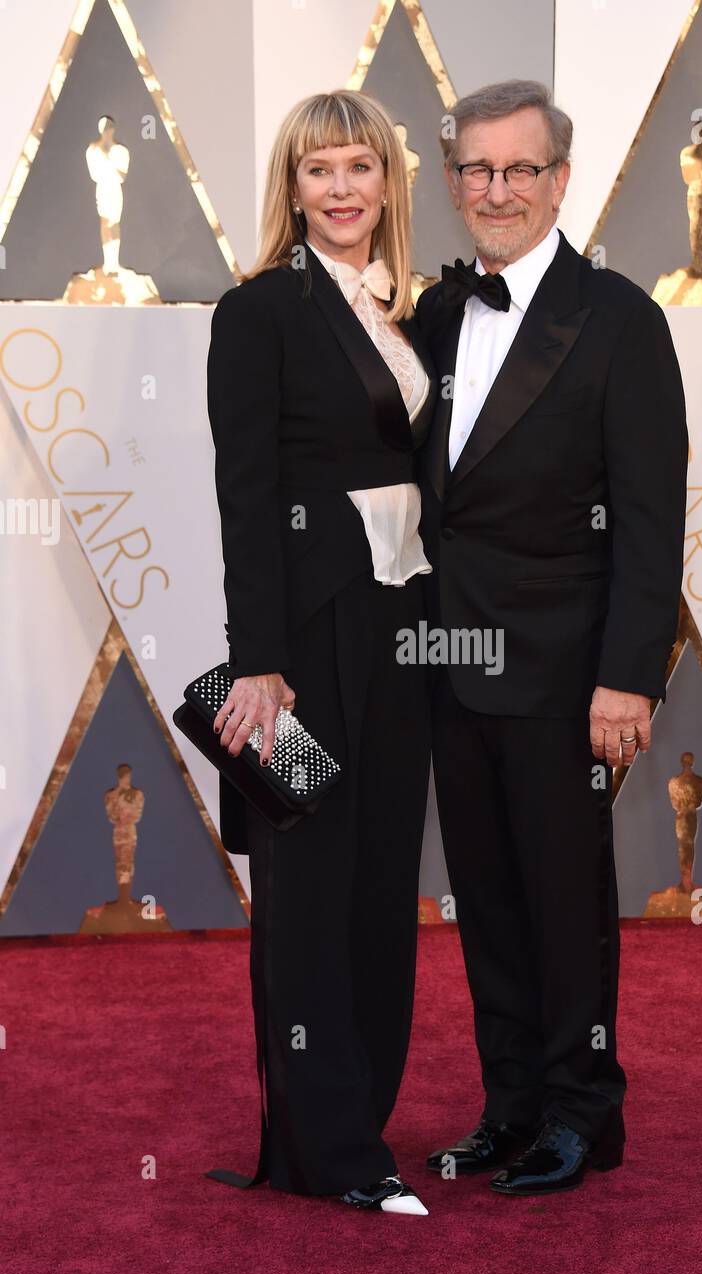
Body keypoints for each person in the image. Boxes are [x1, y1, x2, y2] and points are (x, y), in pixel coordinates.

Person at [416, 80, 688, 1195]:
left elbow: (648, 516)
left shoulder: (621, 318)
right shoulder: (434, 313)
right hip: (446, 663)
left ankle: (584, 1113)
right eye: (475, 170)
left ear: (559, 179)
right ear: (453, 183)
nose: (496, 189)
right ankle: (510, 1104)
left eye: (519, 169)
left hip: (566, 673)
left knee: (566, 905)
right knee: (484, 901)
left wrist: (628, 679)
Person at [205, 90, 436, 1215]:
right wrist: (258, 658)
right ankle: (328, 1151)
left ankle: (364, 1119)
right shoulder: (258, 314)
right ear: (290, 189)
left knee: (383, 879)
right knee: (306, 889)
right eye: (317, 170)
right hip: (303, 641)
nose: (341, 189)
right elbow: (245, 499)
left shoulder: (414, 311)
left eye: (360, 166)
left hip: (405, 629)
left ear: (389, 181)